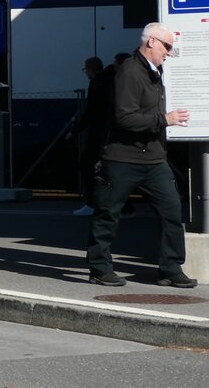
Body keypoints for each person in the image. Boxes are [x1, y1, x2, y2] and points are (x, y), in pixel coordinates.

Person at [87, 22, 194, 288]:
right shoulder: (129, 72)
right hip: (122, 158)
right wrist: (164, 120)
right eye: (167, 46)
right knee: (108, 213)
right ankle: (100, 268)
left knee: (171, 208)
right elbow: (124, 118)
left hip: (154, 159)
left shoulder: (154, 71)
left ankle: (170, 268)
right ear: (151, 43)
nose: (169, 52)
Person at [71, 57, 115, 216]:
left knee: (87, 164)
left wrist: (76, 129)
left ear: (90, 69)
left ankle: (92, 203)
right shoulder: (110, 81)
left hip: (99, 131)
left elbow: (92, 111)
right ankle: (124, 206)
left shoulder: (97, 84)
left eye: (86, 70)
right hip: (110, 131)